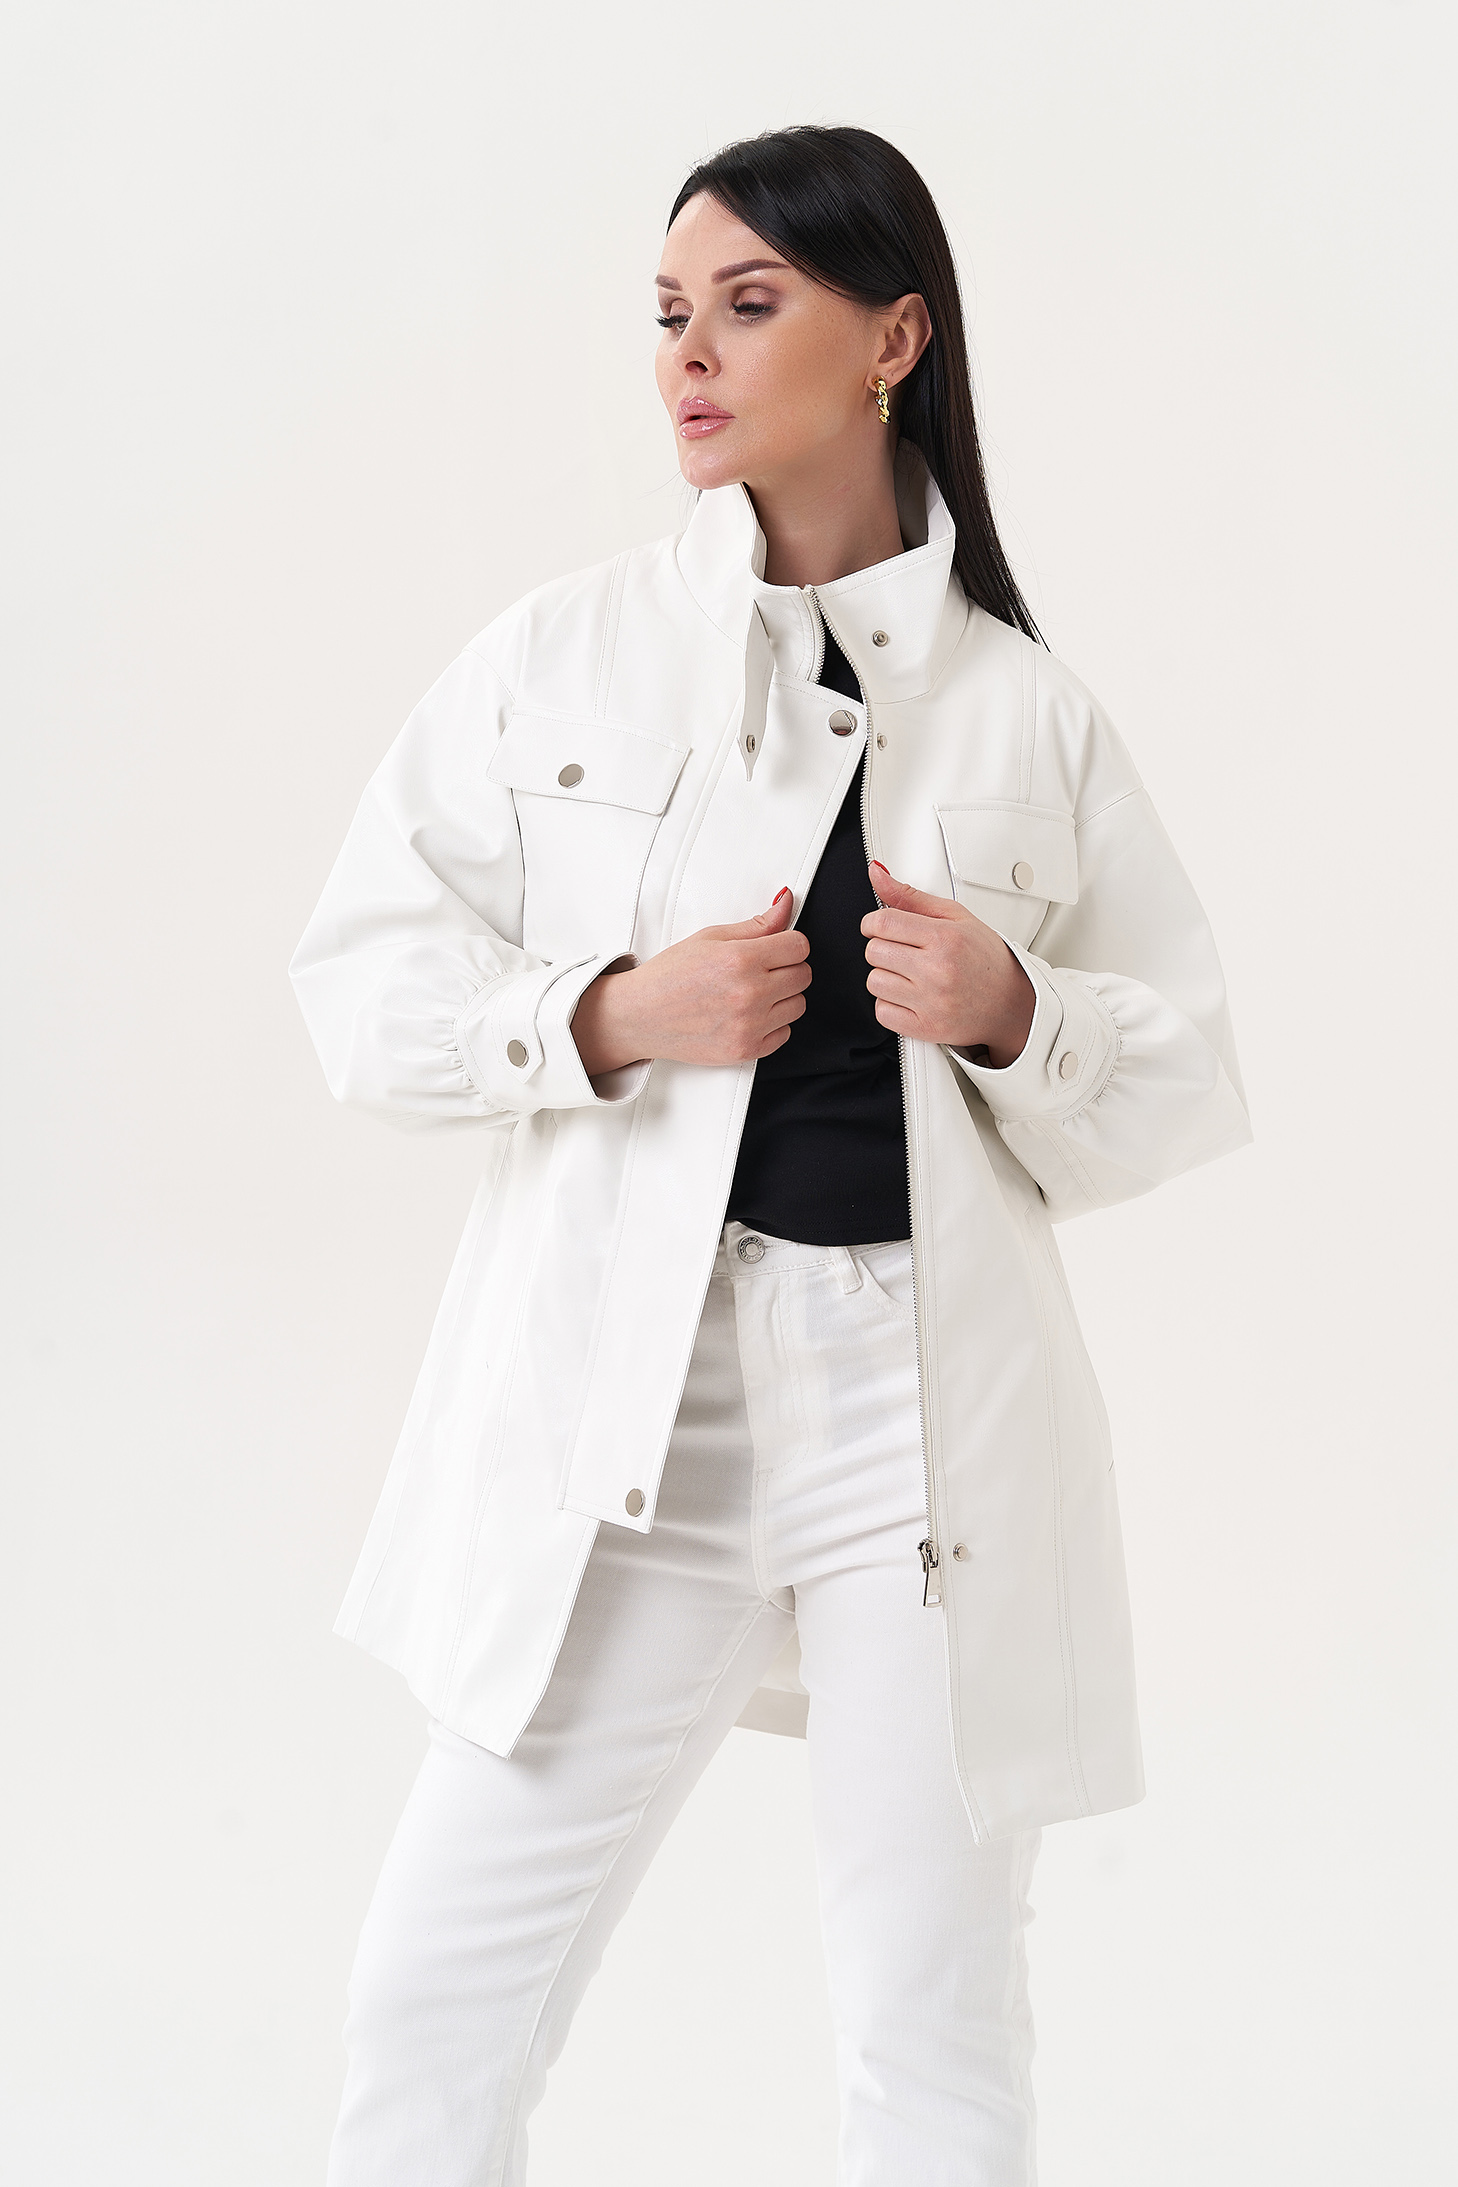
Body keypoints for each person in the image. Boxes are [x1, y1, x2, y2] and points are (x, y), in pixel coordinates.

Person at [291, 123, 1250, 2187]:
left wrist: (1015, 1007)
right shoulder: (561, 656)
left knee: (932, 2030)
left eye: (748, 304)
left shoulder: (1028, 713)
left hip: (923, 1433)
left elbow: (1183, 1077)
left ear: (893, 340)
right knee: (433, 1998)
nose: (689, 358)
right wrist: (604, 1014)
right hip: (635, 1414)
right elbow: (356, 982)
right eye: (668, 314)